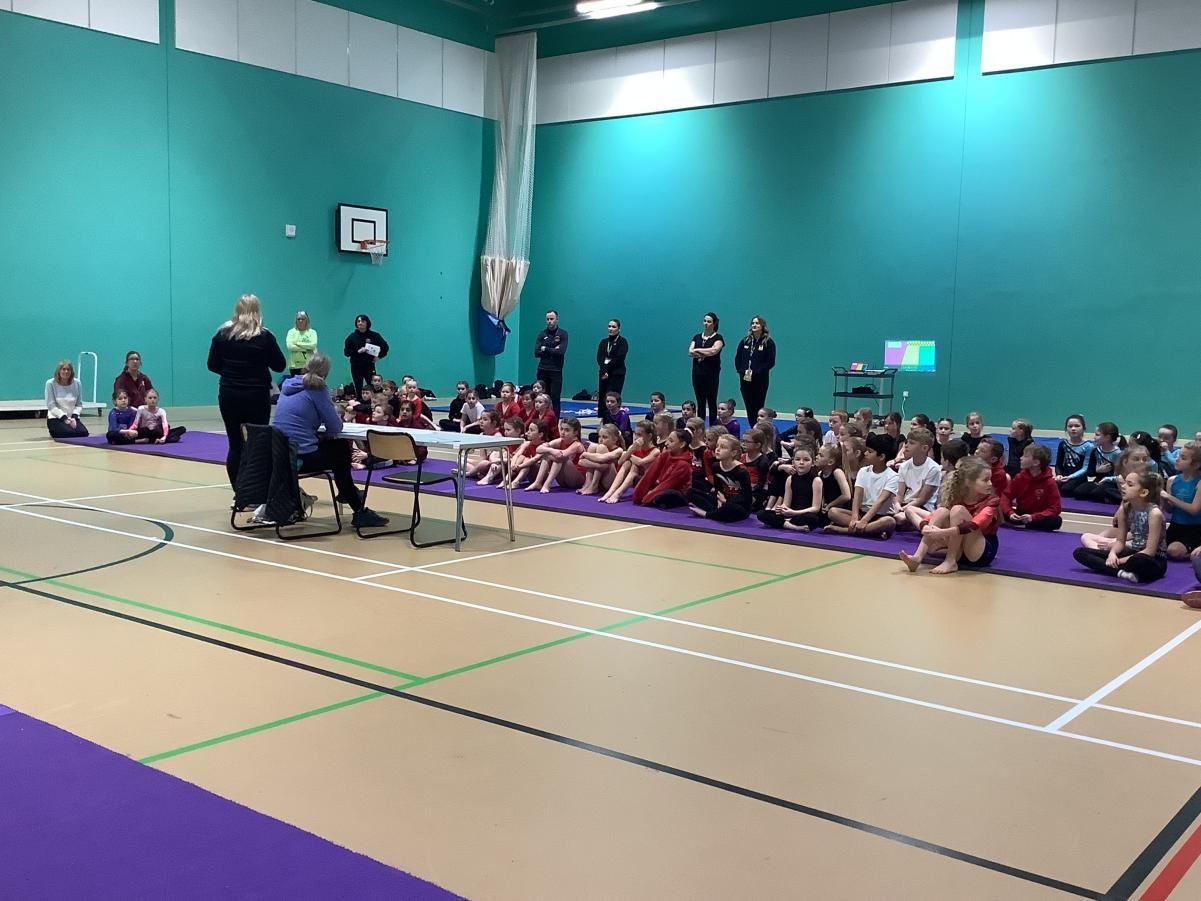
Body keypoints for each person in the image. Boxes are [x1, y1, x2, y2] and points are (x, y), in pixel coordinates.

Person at [271, 353, 388, 528]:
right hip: (299, 456)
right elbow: (335, 427)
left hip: (278, 454)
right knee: (340, 449)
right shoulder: (317, 388)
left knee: (335, 450)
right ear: (325, 373)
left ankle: (348, 493)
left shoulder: (288, 386)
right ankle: (355, 505)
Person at [207, 294, 286, 488]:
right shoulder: (265, 336)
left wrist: (231, 373)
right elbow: (279, 365)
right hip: (256, 394)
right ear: (257, 311)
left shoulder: (222, 335)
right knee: (258, 443)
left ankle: (239, 490)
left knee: (235, 444)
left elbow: (212, 365)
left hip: (229, 393)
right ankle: (256, 489)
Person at [900, 456, 1000, 575]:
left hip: (981, 551)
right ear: (968, 482)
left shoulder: (992, 501)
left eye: (990, 479)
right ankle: (917, 558)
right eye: (985, 480)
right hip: (961, 550)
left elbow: (975, 524)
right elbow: (932, 516)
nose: (990, 483)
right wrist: (925, 527)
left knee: (958, 510)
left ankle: (950, 560)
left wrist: (942, 533)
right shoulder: (956, 496)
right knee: (942, 511)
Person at [1073, 470, 1167, 584]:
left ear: (1143, 492)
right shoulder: (1125, 509)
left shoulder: (1154, 513)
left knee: (1138, 560)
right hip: (1132, 553)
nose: (1123, 486)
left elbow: (1150, 551)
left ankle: (1116, 568)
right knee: (1080, 552)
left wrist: (1120, 560)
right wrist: (1112, 554)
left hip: (1152, 559)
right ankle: (1121, 573)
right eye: (1125, 482)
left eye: (1130, 485)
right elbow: (1120, 542)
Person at [826, 433, 899, 538]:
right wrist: (855, 517)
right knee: (833, 512)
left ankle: (845, 530)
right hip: (862, 513)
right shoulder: (863, 471)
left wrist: (864, 521)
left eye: (870, 451)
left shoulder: (893, 476)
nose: (865, 453)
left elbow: (880, 501)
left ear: (881, 457)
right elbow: (857, 496)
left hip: (880, 515)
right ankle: (872, 531)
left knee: (889, 521)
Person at [757, 444, 822, 531]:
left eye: (806, 460)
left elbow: (816, 508)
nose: (801, 462)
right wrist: (782, 509)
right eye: (798, 459)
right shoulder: (790, 479)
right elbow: (786, 503)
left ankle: (783, 523)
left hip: (803, 514)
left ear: (813, 463)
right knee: (761, 514)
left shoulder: (816, 480)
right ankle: (791, 526)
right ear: (793, 462)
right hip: (790, 514)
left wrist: (794, 512)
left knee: (813, 519)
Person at [690, 434, 753, 522]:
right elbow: (718, 488)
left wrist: (726, 501)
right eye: (717, 446)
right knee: (691, 492)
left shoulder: (741, 471)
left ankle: (707, 514)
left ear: (733, 453)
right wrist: (719, 500)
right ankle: (717, 512)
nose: (718, 449)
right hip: (723, 499)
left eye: (723, 447)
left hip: (738, 505)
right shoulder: (716, 466)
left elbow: (746, 498)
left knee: (730, 508)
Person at [1001, 444, 1062, 531]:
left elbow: (1056, 508)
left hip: (1039, 516)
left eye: (1025, 456)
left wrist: (1033, 517)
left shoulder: (1050, 482)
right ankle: (1025, 523)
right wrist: (1010, 512)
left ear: (1036, 462)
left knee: (1056, 521)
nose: (1021, 458)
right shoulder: (1020, 477)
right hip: (1021, 514)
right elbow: (1006, 495)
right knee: (996, 509)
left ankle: (1027, 523)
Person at [893, 428, 941, 531]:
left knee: (900, 518)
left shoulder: (933, 469)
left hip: (923, 507)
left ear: (924, 448)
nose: (906, 445)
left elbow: (922, 499)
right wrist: (897, 505)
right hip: (905, 504)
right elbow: (900, 494)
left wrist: (904, 509)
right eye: (906, 442)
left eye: (911, 443)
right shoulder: (904, 466)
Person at [601, 420, 659, 504]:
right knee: (627, 463)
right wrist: (631, 450)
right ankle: (611, 491)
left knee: (634, 466)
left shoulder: (655, 451)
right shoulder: (634, 447)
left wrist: (629, 454)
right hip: (636, 480)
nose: (636, 437)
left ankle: (618, 493)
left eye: (639, 435)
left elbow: (640, 462)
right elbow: (620, 462)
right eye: (635, 434)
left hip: (649, 482)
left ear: (649, 436)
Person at [633, 429, 693, 508]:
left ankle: (657, 500)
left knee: (668, 494)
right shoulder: (666, 454)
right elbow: (651, 473)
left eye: (671, 441)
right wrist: (639, 495)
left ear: (682, 444)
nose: (666, 443)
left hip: (676, 491)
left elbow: (667, 484)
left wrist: (646, 498)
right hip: (662, 484)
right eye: (667, 439)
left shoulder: (684, 465)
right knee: (637, 479)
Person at [733, 316, 776, 427]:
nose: (754, 325)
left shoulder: (768, 343)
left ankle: (760, 428)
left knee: (758, 405)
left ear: (762, 326)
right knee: (749, 405)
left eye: (757, 323)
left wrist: (757, 372)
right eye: (752, 323)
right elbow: (738, 358)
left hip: (760, 380)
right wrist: (740, 371)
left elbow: (770, 362)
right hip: (745, 379)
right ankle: (753, 427)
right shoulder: (745, 341)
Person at [1161, 441, 1201, 560]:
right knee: (1154, 545)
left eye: (1183, 458)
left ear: (1196, 465)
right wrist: (1162, 499)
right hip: (1175, 526)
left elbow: (1194, 510)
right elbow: (1170, 510)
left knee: (1173, 551)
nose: (1177, 459)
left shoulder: (1199, 482)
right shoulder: (1172, 480)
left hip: (1195, 528)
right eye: (1178, 456)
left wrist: (1169, 497)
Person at [530, 417, 585, 493]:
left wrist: (550, 451)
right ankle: (537, 482)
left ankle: (547, 484)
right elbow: (538, 449)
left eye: (567, 430)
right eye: (561, 429)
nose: (562, 432)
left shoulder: (577, 445)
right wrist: (551, 450)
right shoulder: (560, 441)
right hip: (564, 481)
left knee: (558, 458)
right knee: (548, 454)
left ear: (575, 432)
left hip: (577, 481)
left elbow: (561, 455)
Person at [688, 313, 724, 426]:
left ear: (714, 323)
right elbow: (690, 352)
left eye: (709, 322)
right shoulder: (697, 337)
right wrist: (704, 352)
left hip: (711, 375)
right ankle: (700, 426)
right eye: (705, 321)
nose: (706, 323)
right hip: (697, 374)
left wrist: (697, 350)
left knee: (712, 401)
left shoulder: (718, 338)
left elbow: (714, 351)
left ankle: (713, 427)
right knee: (700, 402)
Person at [343, 314, 389, 396]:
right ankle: (360, 401)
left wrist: (379, 356)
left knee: (372, 386)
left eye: (362, 321)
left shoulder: (374, 336)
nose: (360, 323)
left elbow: (385, 347)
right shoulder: (351, 337)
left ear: (367, 323)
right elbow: (346, 352)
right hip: (356, 366)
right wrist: (358, 351)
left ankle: (374, 401)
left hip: (369, 365)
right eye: (358, 321)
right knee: (358, 387)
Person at [533, 309, 568, 415]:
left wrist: (546, 348)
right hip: (542, 370)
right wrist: (553, 349)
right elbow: (536, 353)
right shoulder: (542, 334)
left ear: (557, 319)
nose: (550, 321)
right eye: (548, 319)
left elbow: (561, 352)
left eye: (552, 319)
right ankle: (541, 419)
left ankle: (554, 420)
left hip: (556, 370)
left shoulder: (563, 334)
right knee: (541, 397)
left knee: (555, 397)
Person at [45, 359, 89, 438]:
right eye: (63, 369)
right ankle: (54, 430)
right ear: (59, 371)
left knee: (83, 433)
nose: (66, 372)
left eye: (68, 370)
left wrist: (74, 417)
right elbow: (51, 406)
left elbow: (79, 404)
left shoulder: (77, 383)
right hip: (56, 418)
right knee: (69, 433)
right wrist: (64, 418)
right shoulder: (50, 383)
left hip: (72, 418)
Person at [578, 424, 625, 496]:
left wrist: (586, 455)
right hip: (602, 481)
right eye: (599, 436)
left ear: (614, 439)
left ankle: (594, 485)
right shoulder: (597, 447)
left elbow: (602, 458)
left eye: (605, 437)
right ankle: (588, 484)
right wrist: (599, 466)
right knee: (593, 446)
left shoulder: (619, 450)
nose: (600, 439)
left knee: (601, 448)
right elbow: (581, 462)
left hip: (611, 483)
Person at [596, 319, 628, 418]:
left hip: (616, 374)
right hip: (603, 374)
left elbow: (619, 358)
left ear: (619, 329)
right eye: (609, 326)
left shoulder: (622, 342)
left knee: (612, 397)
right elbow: (599, 358)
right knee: (603, 397)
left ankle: (614, 418)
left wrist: (608, 370)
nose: (611, 329)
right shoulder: (603, 342)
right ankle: (603, 418)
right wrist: (604, 370)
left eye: (613, 327)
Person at [1053, 414, 1094, 492]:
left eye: (1077, 426)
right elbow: (1058, 464)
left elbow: (1085, 468)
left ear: (1084, 428)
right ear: (1066, 428)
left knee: (1066, 489)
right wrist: (1058, 475)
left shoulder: (1089, 446)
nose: (1073, 429)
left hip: (1079, 476)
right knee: (1049, 486)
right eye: (1070, 426)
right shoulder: (1063, 444)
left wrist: (1071, 477)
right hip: (1064, 475)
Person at [285, 311, 318, 376]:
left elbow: (313, 345)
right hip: (295, 366)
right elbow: (290, 346)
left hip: (309, 365)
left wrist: (297, 343)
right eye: (298, 319)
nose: (300, 321)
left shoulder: (312, 332)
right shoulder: (291, 332)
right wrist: (308, 348)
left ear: (307, 320)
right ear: (296, 321)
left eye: (303, 319)